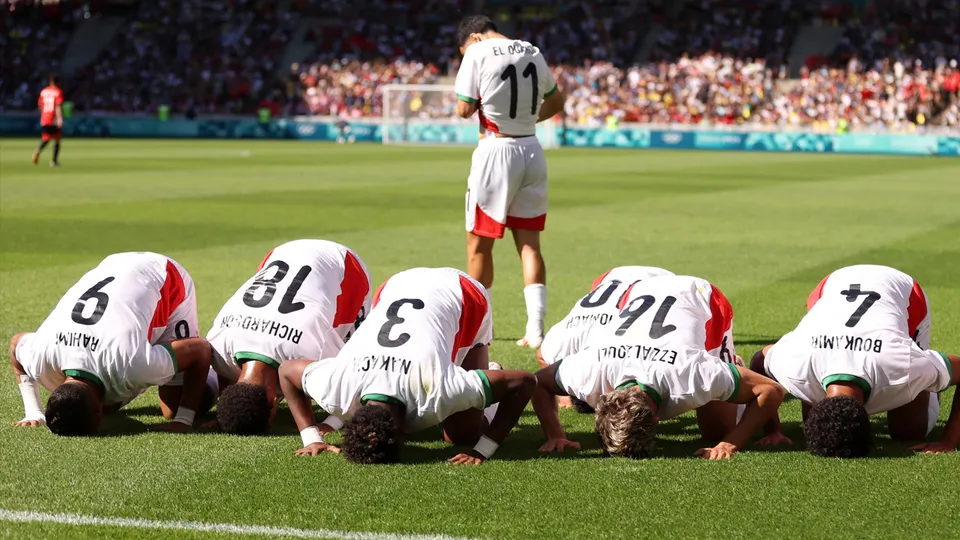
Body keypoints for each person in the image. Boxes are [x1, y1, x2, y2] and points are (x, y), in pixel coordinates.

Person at [277, 267, 535, 464]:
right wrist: (311, 436)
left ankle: (493, 371)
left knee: (462, 435)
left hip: (463, 293)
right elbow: (287, 371)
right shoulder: (336, 389)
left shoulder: (436, 392)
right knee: (458, 417)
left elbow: (524, 381)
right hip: (396, 283)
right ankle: (483, 379)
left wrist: (484, 449)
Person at [532, 275, 783, 459]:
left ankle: (732, 365)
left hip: (700, 296)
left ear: (656, 418)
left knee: (718, 430)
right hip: (639, 290)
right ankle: (730, 374)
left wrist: (729, 443)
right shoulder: (589, 371)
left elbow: (771, 390)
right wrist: (556, 434)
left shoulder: (690, 376)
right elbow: (539, 381)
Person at [751, 265, 960, 457]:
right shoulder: (796, 365)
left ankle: (933, 377)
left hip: (904, 292)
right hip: (831, 286)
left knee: (910, 431)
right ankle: (932, 373)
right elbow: (759, 361)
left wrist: (949, 440)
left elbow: (759, 361)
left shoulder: (903, 368)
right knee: (820, 427)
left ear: (868, 418)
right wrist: (773, 431)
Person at [454, 15, 566, 349]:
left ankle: (477, 331)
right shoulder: (532, 50)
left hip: (496, 149)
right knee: (530, 244)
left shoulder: (477, 52)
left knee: (479, 245)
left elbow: (463, 109)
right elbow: (556, 101)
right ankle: (535, 331)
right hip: (531, 148)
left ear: (473, 37)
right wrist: (526, 119)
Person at [9, 252, 214, 435]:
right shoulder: (40, 356)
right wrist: (34, 412)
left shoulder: (134, 364)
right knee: (112, 400)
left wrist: (183, 420)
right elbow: (16, 344)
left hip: (164, 276)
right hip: (113, 264)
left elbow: (200, 349)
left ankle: (222, 374)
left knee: (172, 409)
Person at [207, 239, 371, 435]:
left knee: (351, 347)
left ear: (273, 400)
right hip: (282, 252)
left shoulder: (314, 352)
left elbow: (356, 383)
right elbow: (225, 373)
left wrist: (331, 423)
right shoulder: (217, 345)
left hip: (345, 266)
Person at [538, 266, 675, 410]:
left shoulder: (609, 345)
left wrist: (563, 397)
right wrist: (562, 394)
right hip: (612, 278)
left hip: (660, 283)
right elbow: (542, 356)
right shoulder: (561, 344)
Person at [33, 74, 64, 167]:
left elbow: (40, 105)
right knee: (57, 139)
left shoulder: (43, 91)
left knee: (46, 138)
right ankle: (54, 161)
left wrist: (43, 115)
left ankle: (38, 150)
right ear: (58, 82)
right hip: (53, 118)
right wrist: (60, 118)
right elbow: (58, 106)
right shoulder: (58, 92)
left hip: (45, 117)